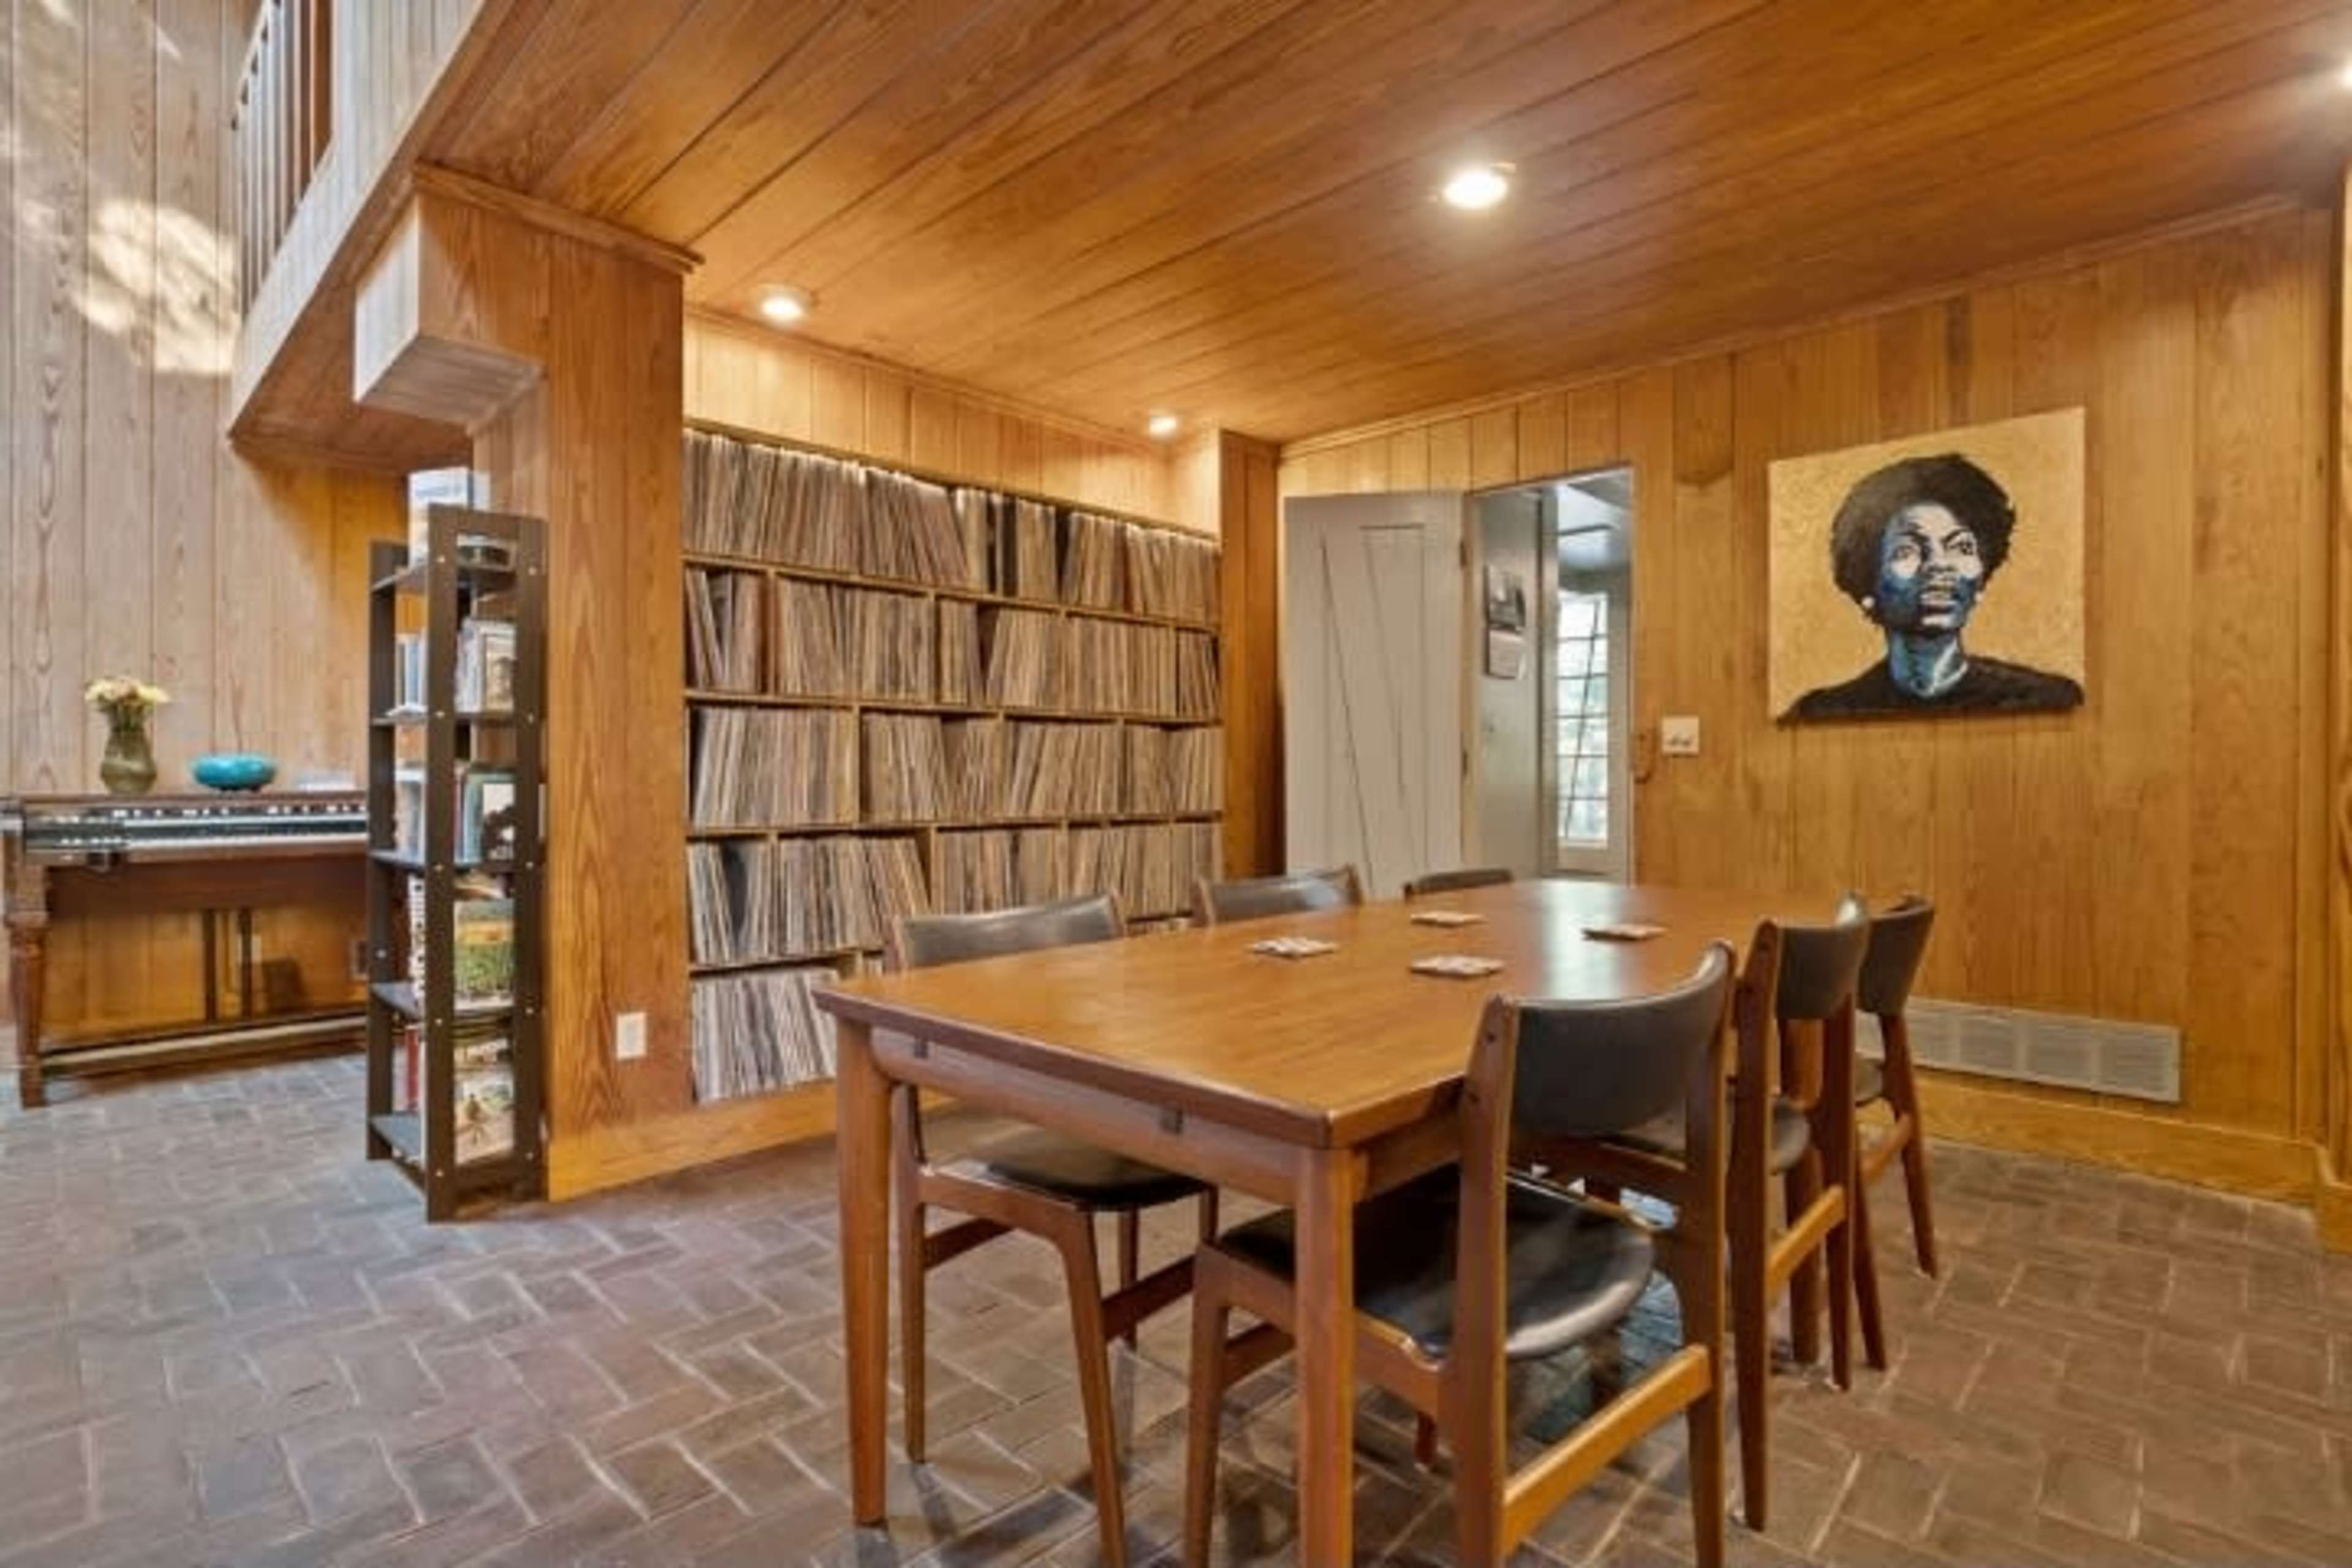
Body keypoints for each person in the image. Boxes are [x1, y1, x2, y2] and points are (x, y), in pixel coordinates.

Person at [1784, 453, 2082, 720]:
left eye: (1960, 548)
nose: (1940, 565)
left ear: (1980, 583)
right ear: (1867, 588)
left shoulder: (2047, 697)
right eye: (1907, 550)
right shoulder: (1824, 711)